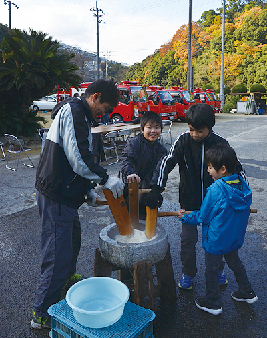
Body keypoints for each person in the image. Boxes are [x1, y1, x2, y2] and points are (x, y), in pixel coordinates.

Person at [31, 79, 124, 329]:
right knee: (57, 253)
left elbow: (78, 159)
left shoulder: (83, 116)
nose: (103, 113)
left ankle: (65, 283)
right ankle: (41, 312)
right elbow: (78, 159)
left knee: (72, 240)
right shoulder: (73, 111)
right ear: (94, 96)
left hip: (67, 193)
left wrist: (88, 191)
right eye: (104, 107)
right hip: (56, 194)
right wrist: (106, 180)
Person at [145, 103, 246, 289]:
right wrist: (156, 189)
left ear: (210, 127)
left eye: (199, 131)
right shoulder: (183, 141)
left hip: (217, 205)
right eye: (191, 129)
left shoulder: (220, 144)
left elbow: (237, 171)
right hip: (189, 202)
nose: (194, 135)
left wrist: (239, 196)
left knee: (216, 240)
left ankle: (217, 270)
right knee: (187, 240)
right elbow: (166, 162)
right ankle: (188, 273)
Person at [177, 144, 258, 315]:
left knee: (212, 270)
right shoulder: (242, 185)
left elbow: (202, 216)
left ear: (222, 169)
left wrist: (184, 216)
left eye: (210, 166)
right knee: (235, 263)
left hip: (216, 239)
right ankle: (247, 292)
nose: (208, 170)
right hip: (233, 238)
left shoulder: (216, 189)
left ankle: (213, 302)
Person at [120, 111, 167, 219]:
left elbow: (162, 172)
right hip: (133, 191)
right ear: (142, 129)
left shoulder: (162, 150)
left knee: (149, 225)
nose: (153, 131)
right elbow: (125, 158)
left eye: (157, 127)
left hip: (151, 192)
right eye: (149, 127)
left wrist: (157, 189)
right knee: (131, 223)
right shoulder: (134, 143)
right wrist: (130, 173)